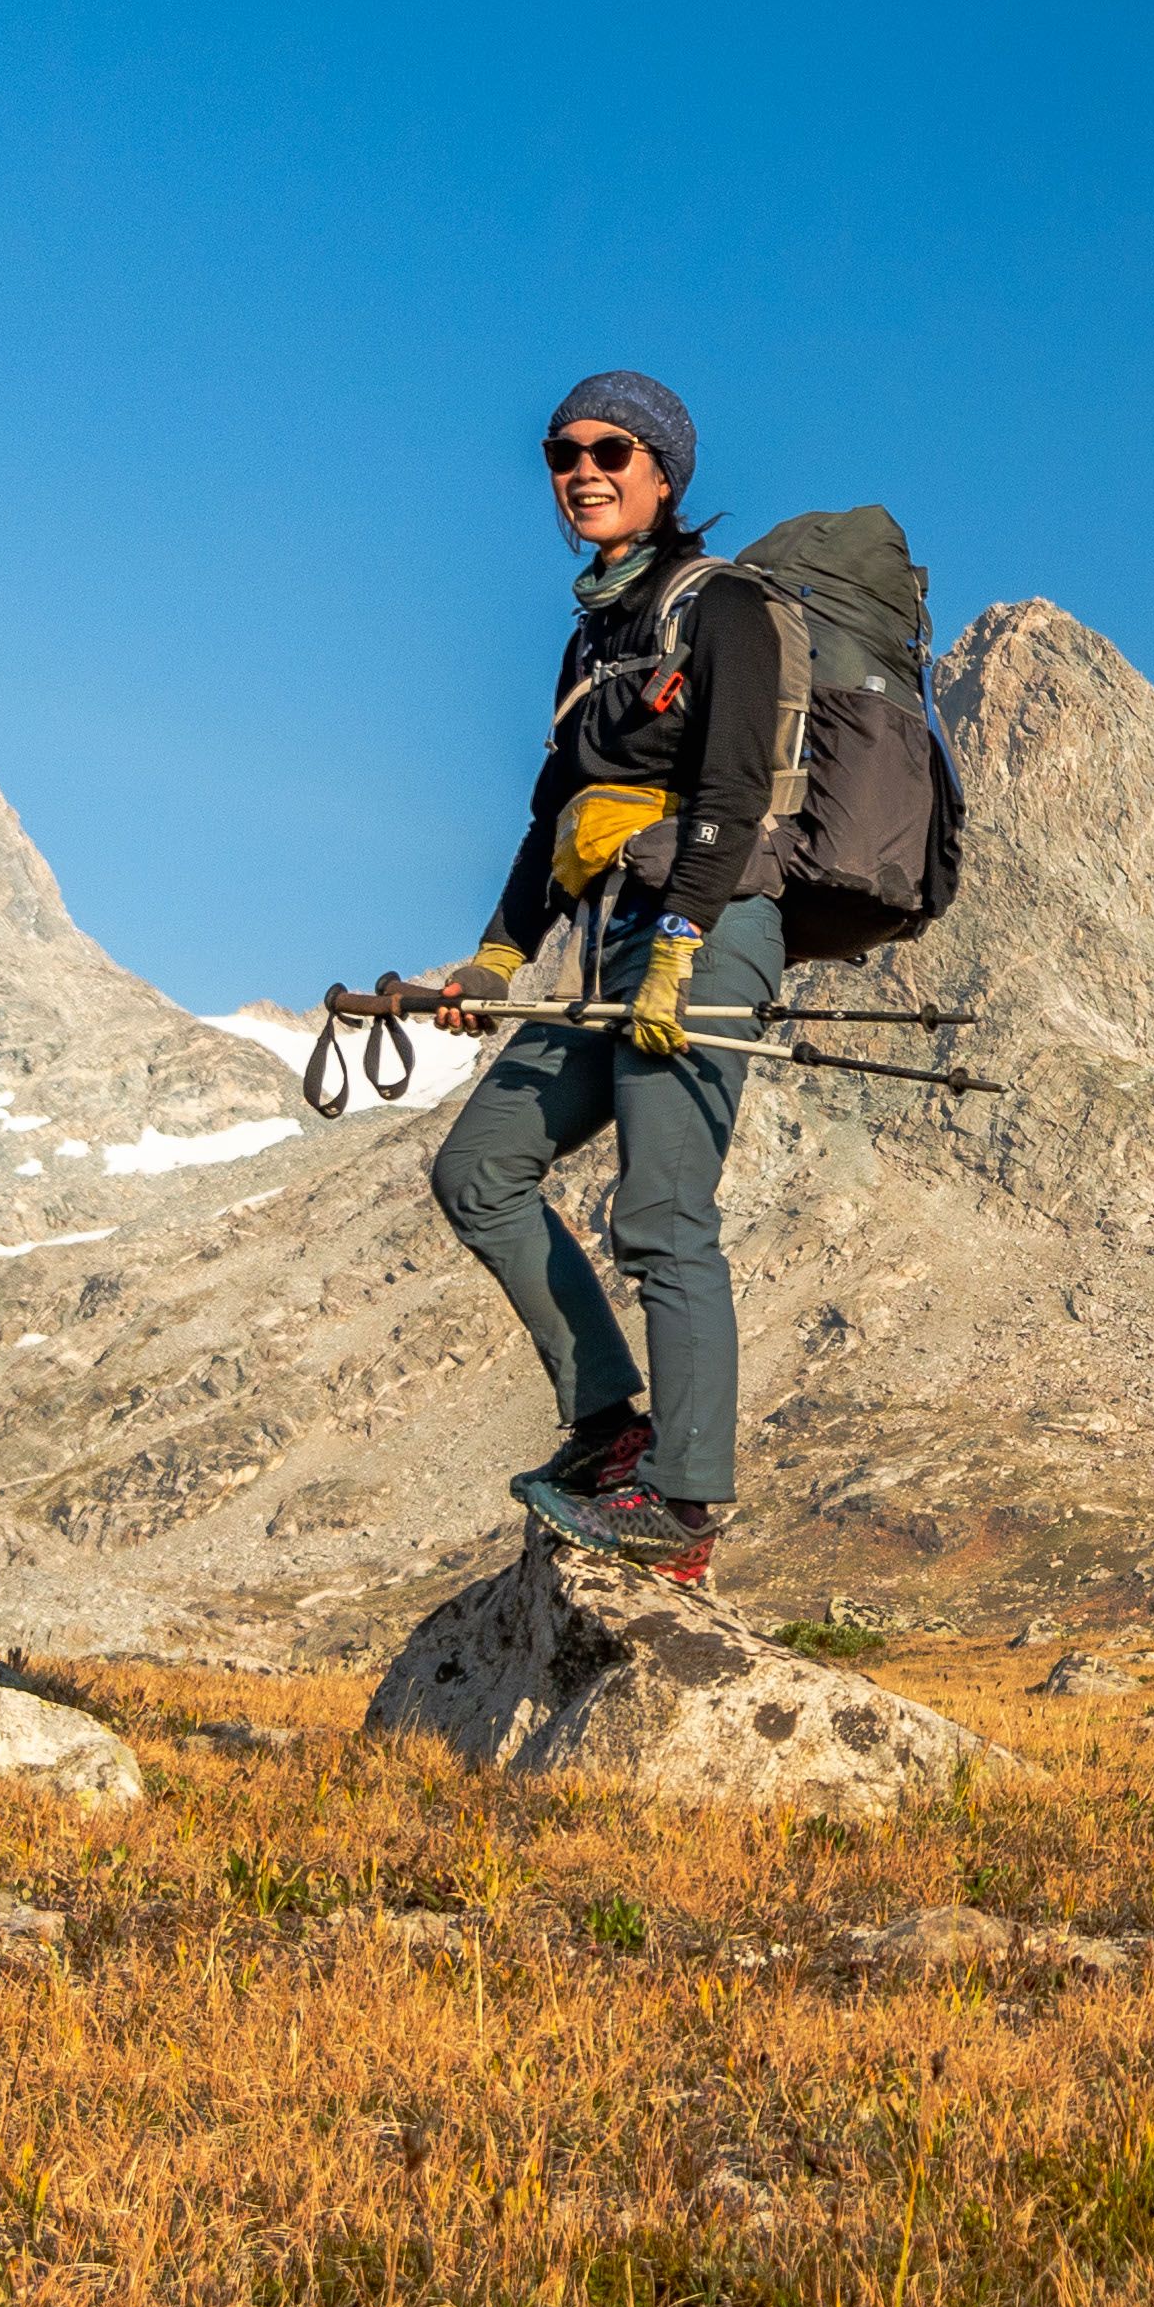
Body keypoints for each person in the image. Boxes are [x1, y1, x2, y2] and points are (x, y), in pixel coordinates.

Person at [423, 369, 792, 1584]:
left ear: (664, 474)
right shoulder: (594, 632)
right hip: (607, 943)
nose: (582, 468)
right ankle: (608, 1428)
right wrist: (495, 953)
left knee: (662, 1214)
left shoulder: (721, 605)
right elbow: (551, 820)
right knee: (478, 1168)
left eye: (611, 451)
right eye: (560, 451)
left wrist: (682, 942)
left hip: (708, 931)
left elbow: (734, 791)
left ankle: (679, 1506)